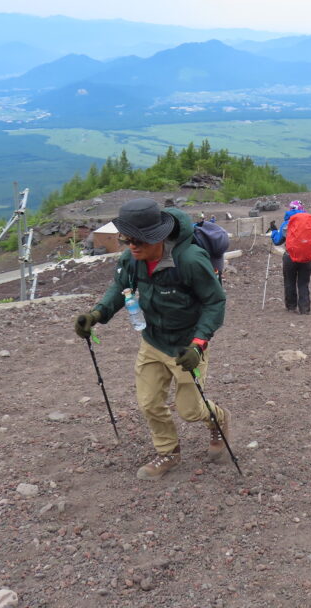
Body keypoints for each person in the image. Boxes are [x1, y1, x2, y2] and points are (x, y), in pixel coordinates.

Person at [72, 198, 229, 480]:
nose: (132, 246)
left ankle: (217, 419)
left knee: (191, 411)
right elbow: (120, 287)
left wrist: (199, 344)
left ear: (157, 238)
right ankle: (168, 452)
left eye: (139, 241)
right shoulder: (132, 260)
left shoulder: (190, 261)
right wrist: (96, 315)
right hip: (152, 341)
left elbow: (215, 302)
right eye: (127, 239)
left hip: (186, 346)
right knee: (149, 403)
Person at [270, 200, 311, 314]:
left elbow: (277, 241)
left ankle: (291, 307)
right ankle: (304, 308)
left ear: (291, 209)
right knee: (303, 283)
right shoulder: (310, 222)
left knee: (289, 281)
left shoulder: (287, 223)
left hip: (290, 256)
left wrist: (273, 230)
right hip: (306, 257)